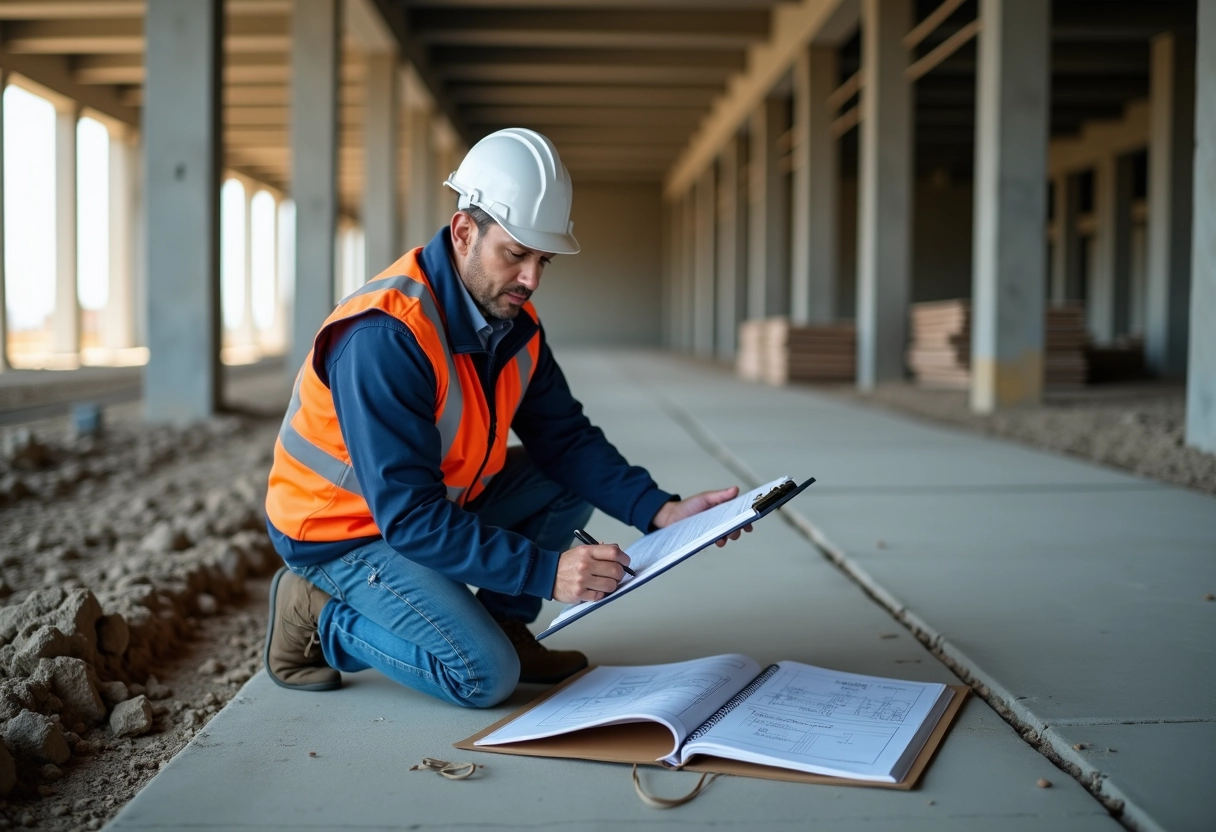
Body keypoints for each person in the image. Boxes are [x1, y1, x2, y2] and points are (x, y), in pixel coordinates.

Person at [262, 127, 749, 708]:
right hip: (342, 533)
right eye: (516, 254)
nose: (531, 279)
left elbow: (564, 438)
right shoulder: (384, 336)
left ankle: (506, 626)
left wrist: (663, 511)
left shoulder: (514, 320)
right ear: (465, 231)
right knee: (483, 677)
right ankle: (317, 614)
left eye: (542, 259)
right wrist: (548, 572)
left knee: (559, 477)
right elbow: (410, 519)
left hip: (427, 504)